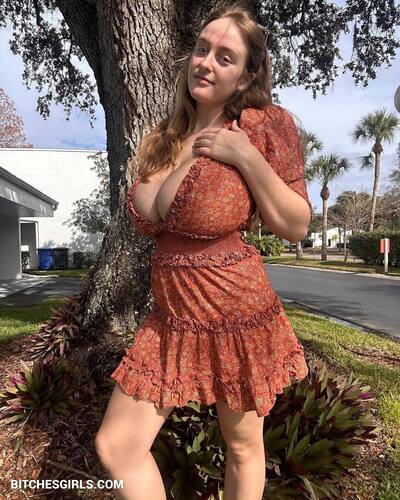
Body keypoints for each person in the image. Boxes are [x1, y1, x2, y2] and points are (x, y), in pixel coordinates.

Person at [95, 3, 312, 499]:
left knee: (242, 447)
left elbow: (296, 224)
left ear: (246, 77)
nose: (206, 62)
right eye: (201, 49)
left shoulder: (263, 125)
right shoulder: (164, 138)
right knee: (117, 446)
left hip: (236, 311)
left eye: (224, 57)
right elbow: (154, 215)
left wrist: (246, 156)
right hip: (170, 318)